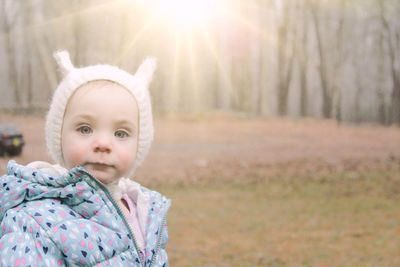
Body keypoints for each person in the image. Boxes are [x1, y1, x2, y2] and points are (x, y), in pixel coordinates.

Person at [0, 50, 171, 266]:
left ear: (140, 143)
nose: (103, 143)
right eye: (85, 129)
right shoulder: (34, 219)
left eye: (121, 133)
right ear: (58, 135)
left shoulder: (146, 210)